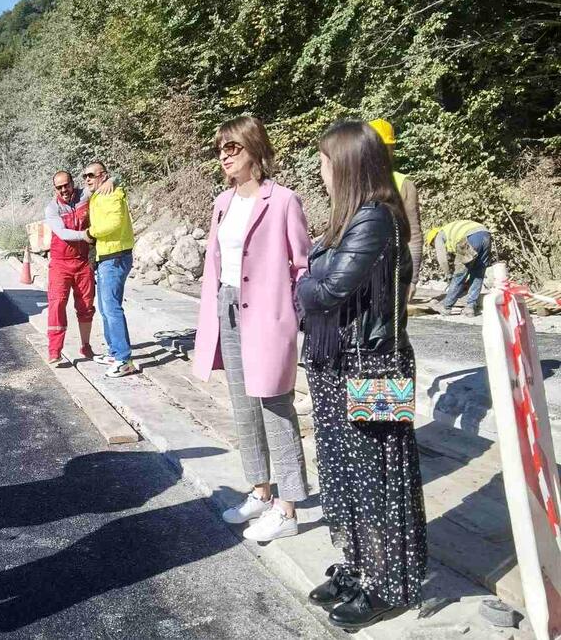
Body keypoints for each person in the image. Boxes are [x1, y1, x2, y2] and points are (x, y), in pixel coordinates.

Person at [296, 120, 426, 630]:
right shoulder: (354, 220)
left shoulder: (375, 219)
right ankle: (357, 566)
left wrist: (305, 283)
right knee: (345, 474)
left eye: (326, 161)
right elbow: (322, 283)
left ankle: (387, 584)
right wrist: (312, 281)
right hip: (342, 364)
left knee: (378, 478)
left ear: (347, 165)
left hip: (375, 367)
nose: (321, 170)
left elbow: (325, 292)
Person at [192, 116, 311, 542]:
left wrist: (291, 318)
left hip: (267, 314)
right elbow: (216, 263)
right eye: (220, 149)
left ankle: (289, 507)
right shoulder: (222, 202)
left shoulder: (283, 201)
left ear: (254, 149)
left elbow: (302, 266)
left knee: (276, 407)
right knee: (243, 406)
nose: (224, 156)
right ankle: (260, 491)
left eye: (233, 148)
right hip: (227, 308)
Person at [84, 162, 136, 378]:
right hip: (105, 257)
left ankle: (124, 359)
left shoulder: (111, 193)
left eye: (91, 175)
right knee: (105, 308)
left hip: (115, 257)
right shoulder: (99, 192)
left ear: (102, 175)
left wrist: (91, 232)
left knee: (112, 308)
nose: (87, 179)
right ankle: (115, 352)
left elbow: (113, 223)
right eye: (84, 176)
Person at [44, 170, 97, 365]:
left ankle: (86, 346)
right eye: (59, 187)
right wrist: (85, 235)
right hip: (60, 263)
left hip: (83, 262)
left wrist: (110, 181)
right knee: (57, 304)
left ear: (73, 183)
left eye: (66, 185)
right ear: (55, 189)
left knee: (86, 305)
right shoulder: (52, 209)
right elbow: (62, 233)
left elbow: (106, 181)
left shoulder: (85, 195)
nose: (64, 190)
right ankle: (54, 351)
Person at [368, 119, 423, 298]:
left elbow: (413, 234)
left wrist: (412, 280)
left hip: (392, 273)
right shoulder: (350, 183)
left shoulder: (403, 184)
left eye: (384, 149)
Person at [426, 220, 492, 317]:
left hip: (470, 237)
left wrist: (448, 274)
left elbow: (442, 259)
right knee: (478, 274)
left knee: (459, 275)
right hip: (486, 235)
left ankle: (446, 307)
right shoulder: (451, 231)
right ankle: (470, 308)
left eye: (432, 245)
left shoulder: (439, 236)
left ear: (433, 239)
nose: (434, 246)